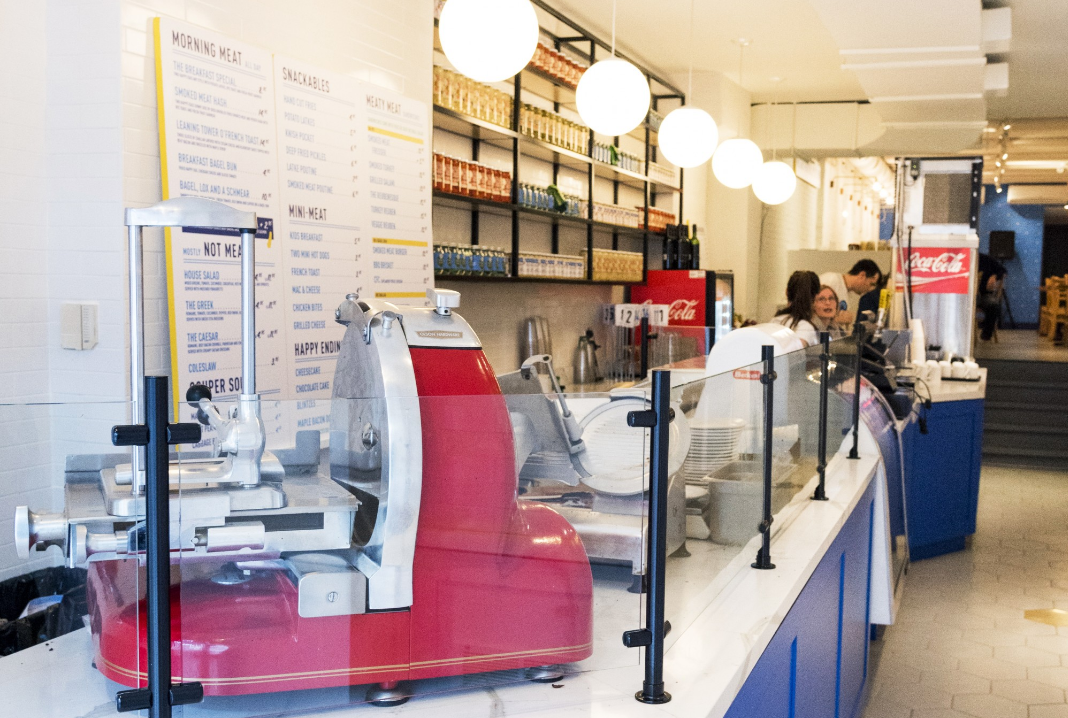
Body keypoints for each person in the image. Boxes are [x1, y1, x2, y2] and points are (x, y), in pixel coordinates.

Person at [819, 259, 883, 328]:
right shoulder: (831, 280)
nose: (870, 289)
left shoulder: (848, 294)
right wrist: (836, 319)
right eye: (871, 284)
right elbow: (813, 311)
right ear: (862, 275)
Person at [771, 271, 820, 346]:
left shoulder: (773, 321)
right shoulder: (805, 328)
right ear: (816, 296)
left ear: (786, 292)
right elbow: (796, 351)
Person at [977, 252, 1007, 341]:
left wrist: (995, 276)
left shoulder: (985, 259)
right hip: (964, 296)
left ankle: (986, 334)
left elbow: (1003, 270)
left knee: (993, 304)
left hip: (983, 294)